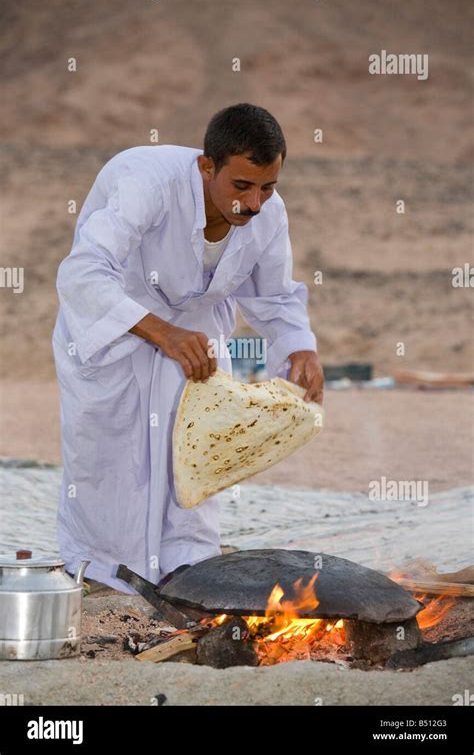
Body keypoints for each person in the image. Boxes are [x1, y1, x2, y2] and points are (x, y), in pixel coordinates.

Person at [52, 103, 324, 594]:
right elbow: (82, 272)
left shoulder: (268, 215)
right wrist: (163, 332)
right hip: (117, 325)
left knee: (199, 446)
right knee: (112, 455)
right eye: (242, 186)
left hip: (198, 335)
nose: (255, 202)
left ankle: (187, 563)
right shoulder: (147, 183)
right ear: (206, 166)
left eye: (268, 186)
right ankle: (103, 571)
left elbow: (275, 296)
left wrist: (299, 348)